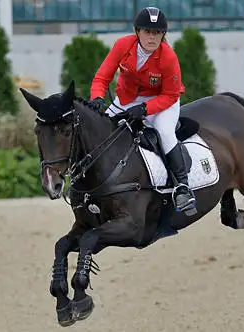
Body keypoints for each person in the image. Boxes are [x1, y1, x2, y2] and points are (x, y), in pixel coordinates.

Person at [88, 6, 196, 216]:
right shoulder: (122, 45)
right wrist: (97, 98)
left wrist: (146, 109)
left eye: (157, 33)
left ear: (163, 35)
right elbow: (102, 78)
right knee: (101, 133)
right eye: (147, 31)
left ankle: (183, 187)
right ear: (137, 31)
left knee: (164, 132)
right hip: (128, 99)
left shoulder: (168, 57)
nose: (152, 37)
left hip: (162, 102)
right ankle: (94, 184)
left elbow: (171, 95)